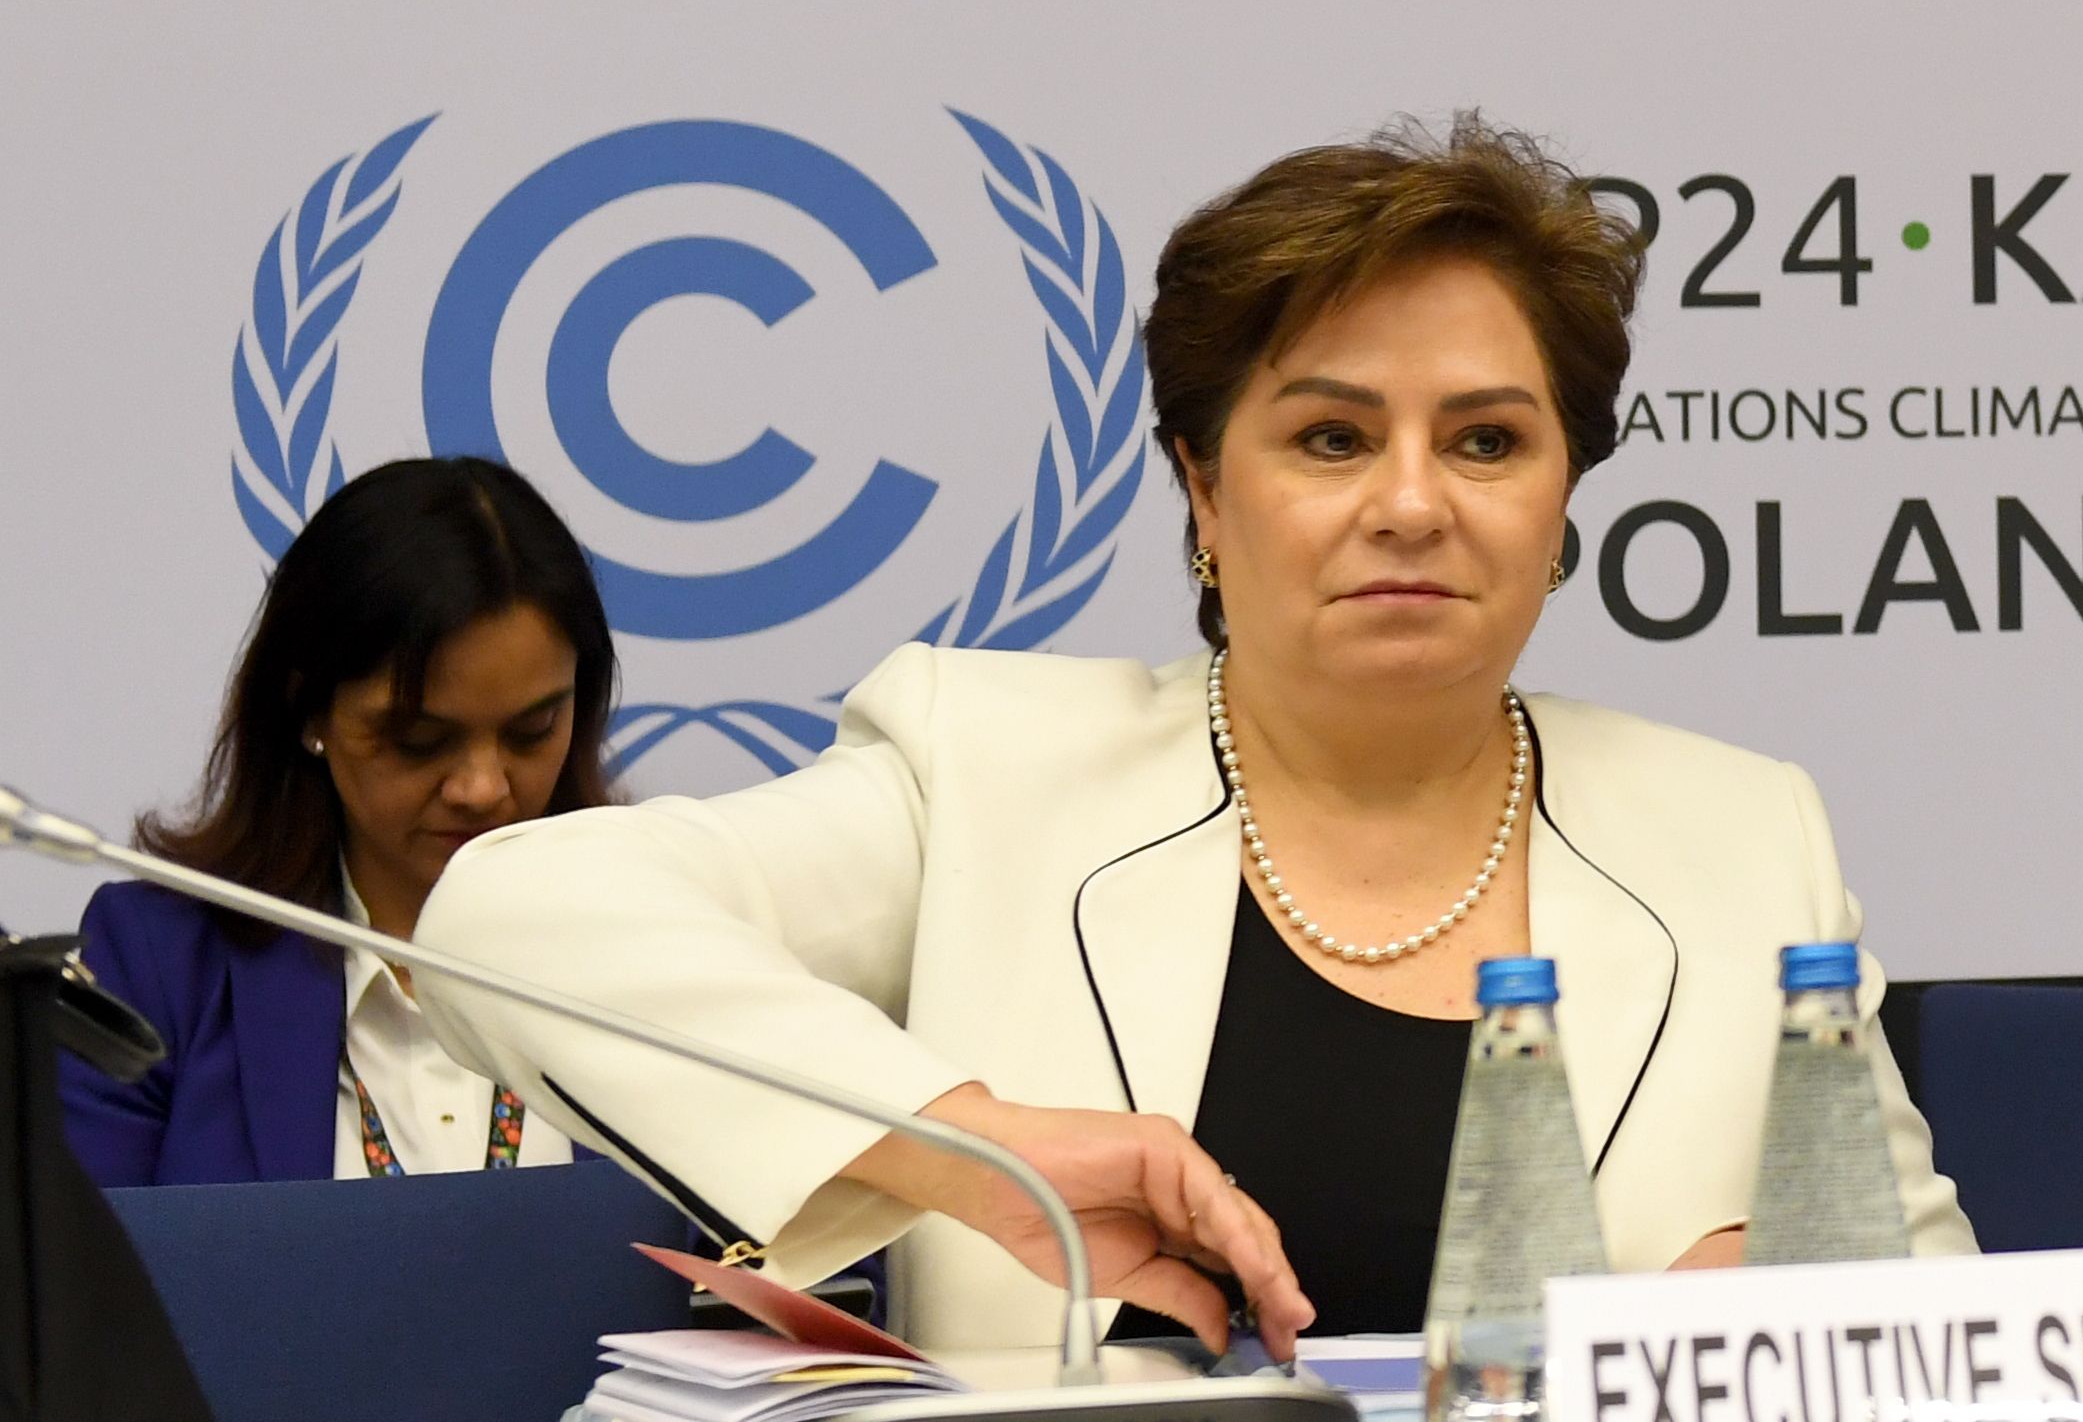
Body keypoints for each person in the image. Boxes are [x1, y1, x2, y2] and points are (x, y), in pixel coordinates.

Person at [421, 117, 1971, 1358]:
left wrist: (1790, 1319)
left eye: (1489, 440)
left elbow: (1956, 1331)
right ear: (1205, 492)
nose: (1415, 502)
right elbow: (509, 918)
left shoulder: (1743, 837)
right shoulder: (992, 774)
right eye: (1332, 437)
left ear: (1563, 499)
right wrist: (977, 1152)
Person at [60, 455, 618, 1184]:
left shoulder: (660, 950)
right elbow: (73, 1282)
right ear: (308, 711)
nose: (483, 788)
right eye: (420, 740)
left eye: (531, 731)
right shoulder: (158, 966)